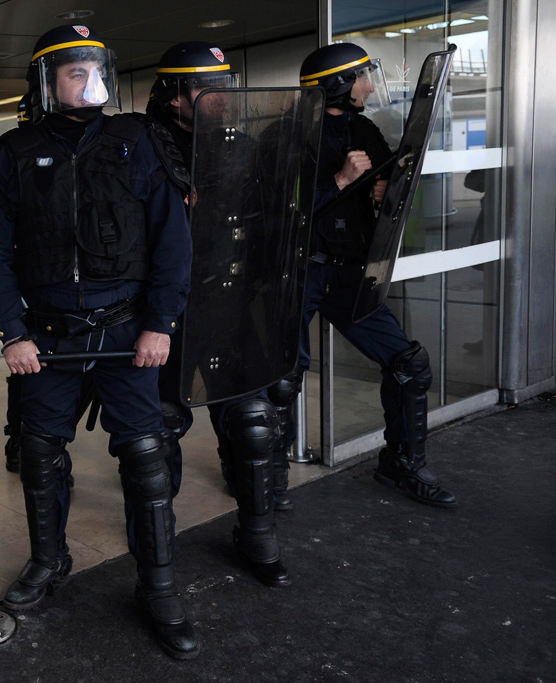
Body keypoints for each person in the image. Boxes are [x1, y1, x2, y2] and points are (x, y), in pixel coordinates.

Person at [0, 25, 198, 659]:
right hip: (45, 337)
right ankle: (49, 562)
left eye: (96, 70)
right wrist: (11, 331)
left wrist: (161, 324)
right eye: (75, 72)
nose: (89, 81)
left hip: (129, 330)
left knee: (146, 456)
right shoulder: (14, 152)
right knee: (40, 451)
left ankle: (159, 587)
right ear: (47, 82)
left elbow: (173, 241)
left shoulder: (140, 141)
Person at [145, 42, 293, 587]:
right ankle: (157, 549)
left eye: (227, 84)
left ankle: (256, 535)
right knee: (158, 434)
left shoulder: (241, 145)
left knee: (254, 425)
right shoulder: (144, 149)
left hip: (227, 301)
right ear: (175, 96)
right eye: (211, 88)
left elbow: (264, 220)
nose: (225, 96)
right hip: (166, 310)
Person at [293, 43, 456, 508]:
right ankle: (257, 480)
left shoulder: (363, 128)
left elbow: (390, 188)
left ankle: (401, 463)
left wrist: (386, 190)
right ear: (338, 85)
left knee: (409, 364)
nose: (369, 85)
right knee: (279, 381)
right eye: (362, 76)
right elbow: (281, 214)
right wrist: (340, 181)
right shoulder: (291, 136)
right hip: (301, 274)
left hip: (349, 275)